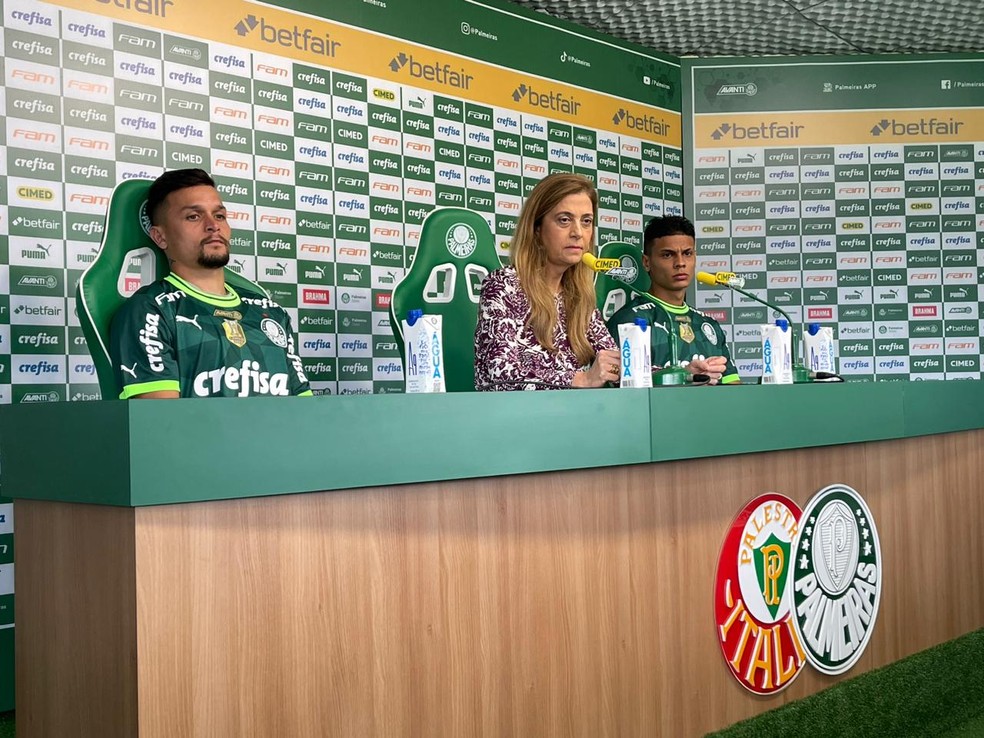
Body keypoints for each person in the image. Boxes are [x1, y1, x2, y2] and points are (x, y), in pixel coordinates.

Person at [110, 169, 311, 398]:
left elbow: (305, 412)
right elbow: (161, 424)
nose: (213, 226)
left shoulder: (271, 312)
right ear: (159, 237)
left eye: (219, 216)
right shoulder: (150, 311)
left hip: (282, 434)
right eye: (193, 217)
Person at [474, 172, 619, 390]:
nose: (578, 232)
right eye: (564, 220)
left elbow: (616, 363)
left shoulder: (579, 297)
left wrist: (677, 373)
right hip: (513, 421)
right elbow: (501, 371)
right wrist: (582, 379)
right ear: (537, 228)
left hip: (573, 418)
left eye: (586, 221)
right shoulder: (503, 286)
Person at [606, 215, 739, 385]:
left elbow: (733, 387)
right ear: (646, 262)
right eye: (668, 255)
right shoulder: (628, 321)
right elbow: (617, 390)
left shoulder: (709, 325)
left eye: (687, 253)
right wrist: (682, 377)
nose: (680, 263)